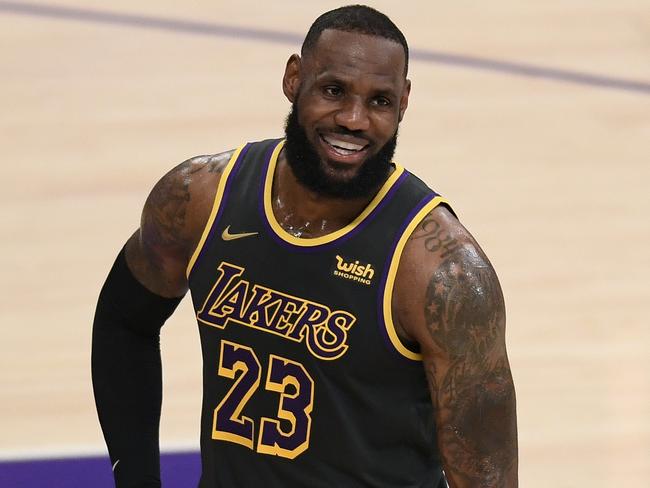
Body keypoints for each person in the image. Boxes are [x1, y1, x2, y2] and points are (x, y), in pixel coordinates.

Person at [92, 5, 518, 487]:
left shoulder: (439, 271)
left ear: (403, 103)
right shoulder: (202, 199)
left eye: (379, 101)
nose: (354, 120)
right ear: (294, 79)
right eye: (334, 91)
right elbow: (123, 323)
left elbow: (487, 477)